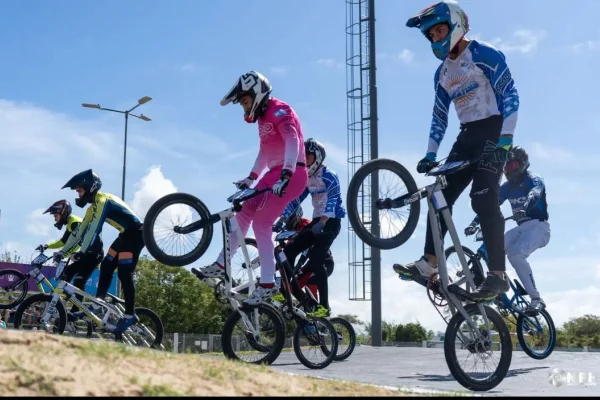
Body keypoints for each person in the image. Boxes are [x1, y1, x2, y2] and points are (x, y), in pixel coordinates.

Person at [395, 0, 520, 301]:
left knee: (483, 198)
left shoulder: (484, 54)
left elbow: (511, 95)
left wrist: (506, 139)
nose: (436, 38)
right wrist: (429, 153)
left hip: (493, 131)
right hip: (466, 138)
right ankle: (429, 263)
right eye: (432, 35)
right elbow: (439, 116)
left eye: (440, 30)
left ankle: (497, 277)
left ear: (457, 25)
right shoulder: (441, 74)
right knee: (439, 197)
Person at [196, 71, 309, 306]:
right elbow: (266, 151)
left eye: (245, 102)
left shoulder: (280, 110)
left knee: (261, 222)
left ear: (257, 94)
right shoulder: (262, 119)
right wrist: (251, 178)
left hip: (293, 173)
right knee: (244, 209)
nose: (244, 108)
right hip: (274, 173)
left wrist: (286, 174)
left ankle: (268, 283)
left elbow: (293, 141)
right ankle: (222, 263)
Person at [52, 169, 145, 333]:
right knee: (107, 265)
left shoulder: (103, 202)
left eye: (80, 191)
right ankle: (98, 303)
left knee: (124, 273)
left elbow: (93, 230)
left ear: (90, 188)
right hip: (124, 235)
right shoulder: (91, 208)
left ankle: (130, 315)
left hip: (136, 234)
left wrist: (83, 251)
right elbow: (79, 232)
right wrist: (63, 251)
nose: (78, 195)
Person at [465, 146, 550, 314]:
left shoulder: (533, 179)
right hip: (521, 228)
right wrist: (475, 223)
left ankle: (536, 299)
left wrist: (525, 207)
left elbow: (535, 193)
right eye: (506, 167)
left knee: (516, 255)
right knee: (493, 248)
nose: (508, 170)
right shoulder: (507, 187)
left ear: (523, 163)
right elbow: (491, 205)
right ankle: (497, 284)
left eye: (512, 166)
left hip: (539, 227)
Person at [270, 138, 345, 317]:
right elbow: (295, 199)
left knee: (316, 261)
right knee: (289, 251)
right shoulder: (307, 178)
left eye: (309, 156)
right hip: (317, 221)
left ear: (318, 157)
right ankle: (285, 290)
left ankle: (324, 307)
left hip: (331, 222)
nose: (306, 160)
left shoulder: (329, 175)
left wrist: (324, 220)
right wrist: (282, 217)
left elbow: (333, 199)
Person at [38, 200, 104, 320]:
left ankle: (75, 312)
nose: (54, 219)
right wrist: (47, 246)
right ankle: (64, 302)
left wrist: (62, 254)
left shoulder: (74, 223)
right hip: (85, 254)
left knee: (79, 281)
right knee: (66, 274)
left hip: (94, 254)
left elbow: (76, 242)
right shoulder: (70, 223)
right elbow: (64, 242)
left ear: (63, 212)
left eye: (55, 215)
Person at [272, 205, 335, 307]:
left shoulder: (306, 224)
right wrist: (274, 269)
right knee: (292, 287)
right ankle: (305, 311)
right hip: (310, 264)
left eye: (288, 220)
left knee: (308, 283)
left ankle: (316, 311)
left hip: (324, 262)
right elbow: (288, 254)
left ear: (296, 216)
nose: (286, 223)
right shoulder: (292, 230)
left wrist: (298, 266)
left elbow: (307, 250)